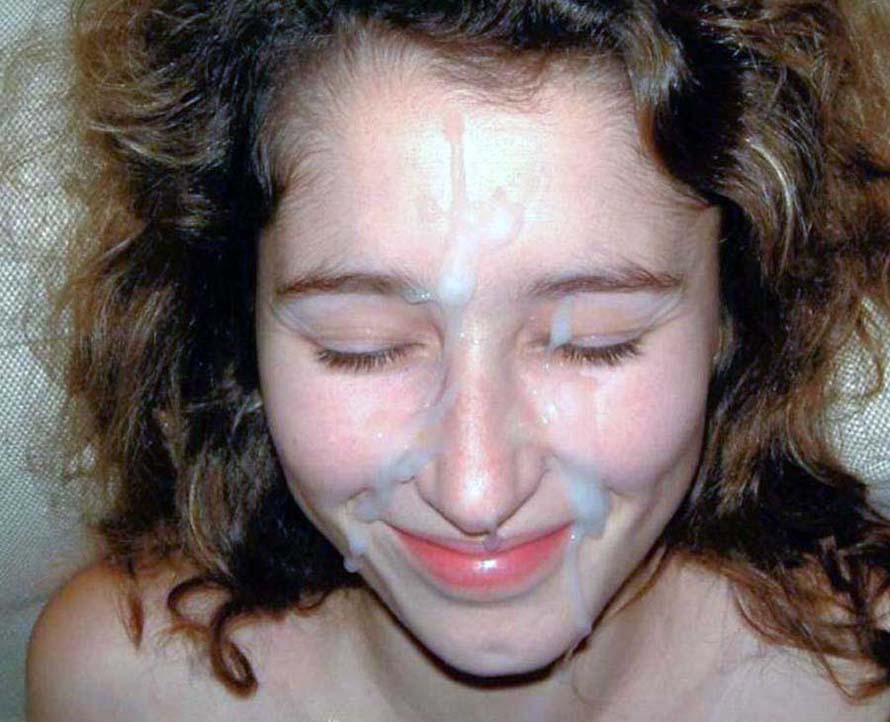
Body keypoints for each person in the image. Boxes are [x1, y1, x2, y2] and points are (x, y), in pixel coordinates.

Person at [24, 0, 890, 719]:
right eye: (361, 348)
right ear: (239, 323)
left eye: (595, 341)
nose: (477, 493)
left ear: (733, 313)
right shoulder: (118, 684)